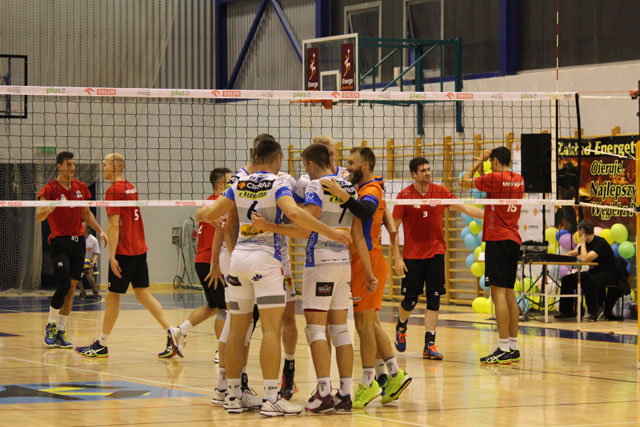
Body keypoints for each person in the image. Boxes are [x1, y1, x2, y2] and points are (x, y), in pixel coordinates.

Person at [196, 137, 351, 416]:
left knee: (238, 329)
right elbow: (293, 213)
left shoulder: (238, 183)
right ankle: (270, 398)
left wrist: (203, 214)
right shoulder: (279, 183)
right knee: (271, 330)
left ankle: (233, 395)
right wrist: (330, 232)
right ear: (278, 159)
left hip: (238, 260)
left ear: (255, 157)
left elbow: (208, 214)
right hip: (266, 260)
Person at [252, 143, 377, 413]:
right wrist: (368, 272)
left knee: (316, 329)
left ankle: (323, 393)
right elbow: (357, 233)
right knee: (340, 329)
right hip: (343, 263)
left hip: (319, 262)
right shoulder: (349, 188)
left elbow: (306, 227)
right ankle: (345, 393)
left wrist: (270, 225)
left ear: (309, 164)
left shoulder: (314, 187)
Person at [321, 147, 411, 408]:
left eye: (352, 163)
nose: (347, 167)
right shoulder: (365, 187)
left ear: (366, 166)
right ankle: (394, 374)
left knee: (363, 325)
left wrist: (342, 195)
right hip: (364, 259)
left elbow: (364, 211)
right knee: (370, 323)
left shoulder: (370, 190)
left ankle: (369, 382)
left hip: (367, 259)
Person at [75, 153, 182, 358]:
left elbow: (114, 225)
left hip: (125, 251)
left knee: (112, 297)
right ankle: (172, 331)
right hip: (139, 248)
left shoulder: (114, 190)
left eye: (105, 165)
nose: (102, 168)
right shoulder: (131, 187)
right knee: (142, 294)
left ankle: (101, 344)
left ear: (115, 167)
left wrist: (112, 256)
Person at [392, 157, 484, 360]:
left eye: (428, 169)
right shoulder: (404, 196)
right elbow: (393, 229)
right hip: (412, 256)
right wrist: (397, 258)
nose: (427, 173)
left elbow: (465, 208)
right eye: (423, 170)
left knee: (434, 298)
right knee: (410, 300)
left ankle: (429, 345)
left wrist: (490, 216)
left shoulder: (440, 192)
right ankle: (401, 325)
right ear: (413, 174)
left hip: (436, 253)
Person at [460, 147, 524, 365]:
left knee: (498, 294)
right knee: (509, 293)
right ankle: (513, 347)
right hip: (513, 239)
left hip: (498, 240)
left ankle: (503, 347)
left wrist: (480, 159)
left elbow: (463, 181)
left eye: (491, 162)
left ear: (495, 161)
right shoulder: (519, 180)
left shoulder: (494, 179)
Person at [36, 151, 108, 349]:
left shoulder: (80, 187)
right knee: (64, 284)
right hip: (59, 242)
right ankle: (50, 326)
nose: (72, 168)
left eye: (73, 165)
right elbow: (38, 215)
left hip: (78, 243)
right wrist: (48, 209)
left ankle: (61, 331)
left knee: (71, 288)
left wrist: (100, 230)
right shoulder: (50, 188)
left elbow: (86, 214)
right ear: (59, 166)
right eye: (68, 165)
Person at [158, 168, 231, 358]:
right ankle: (221, 352)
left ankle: (179, 331)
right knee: (224, 308)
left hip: (202, 260)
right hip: (213, 262)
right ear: (221, 184)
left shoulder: (208, 202)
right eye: (231, 180)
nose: (235, 183)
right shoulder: (221, 203)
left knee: (213, 306)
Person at [554, 219, 618, 321]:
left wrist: (582, 243)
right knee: (567, 279)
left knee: (589, 280)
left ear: (582, 231)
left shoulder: (600, 243)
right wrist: (559, 257)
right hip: (595, 272)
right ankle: (567, 311)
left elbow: (585, 259)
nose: (577, 233)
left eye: (578, 230)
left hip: (609, 273)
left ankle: (594, 312)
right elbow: (575, 252)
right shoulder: (587, 243)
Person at [81, 222, 101, 298]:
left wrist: (93, 262)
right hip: (80, 261)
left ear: (87, 230)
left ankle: (95, 290)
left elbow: (96, 253)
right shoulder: (78, 239)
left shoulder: (93, 240)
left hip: (90, 262)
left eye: (83, 229)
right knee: (76, 273)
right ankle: (82, 290)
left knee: (88, 273)